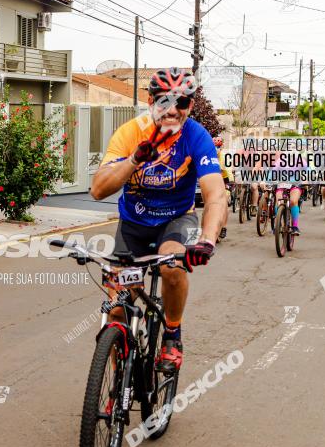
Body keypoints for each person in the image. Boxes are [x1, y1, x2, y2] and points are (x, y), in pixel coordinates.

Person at [90, 68, 227, 373]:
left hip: (176, 220)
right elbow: (98, 189)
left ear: (190, 107)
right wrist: (134, 160)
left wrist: (206, 240)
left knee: (171, 265)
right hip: (133, 225)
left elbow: (215, 194)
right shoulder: (131, 132)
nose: (172, 110)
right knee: (117, 306)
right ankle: (118, 386)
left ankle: (173, 336)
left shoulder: (196, 136)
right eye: (164, 101)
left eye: (182, 103)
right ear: (151, 100)